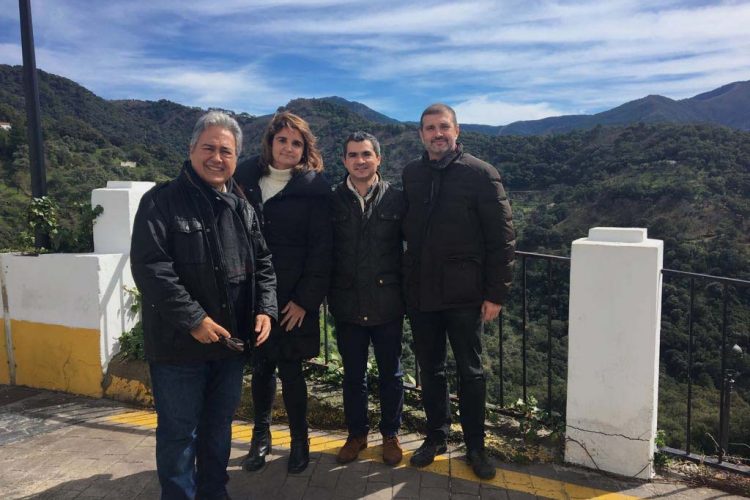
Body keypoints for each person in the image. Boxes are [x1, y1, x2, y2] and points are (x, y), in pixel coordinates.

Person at [131, 110, 278, 499]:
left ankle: (215, 493)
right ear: (192, 149)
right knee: (180, 433)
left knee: (218, 429)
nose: (217, 158)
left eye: (226, 151)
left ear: (236, 157)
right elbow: (151, 268)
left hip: (229, 345)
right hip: (180, 347)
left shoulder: (242, 207)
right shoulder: (161, 202)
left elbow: (262, 263)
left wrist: (265, 308)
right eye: (209, 148)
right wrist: (194, 319)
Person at [401, 103, 515, 480]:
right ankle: (436, 437)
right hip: (422, 293)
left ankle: (476, 447)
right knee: (430, 370)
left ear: (456, 130)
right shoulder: (411, 174)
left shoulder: (481, 174)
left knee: (472, 372)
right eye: (430, 128)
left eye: (443, 127)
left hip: (466, 294)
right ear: (421, 134)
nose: (437, 134)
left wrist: (496, 293)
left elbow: (502, 239)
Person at [234, 111, 332, 474]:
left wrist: (306, 300)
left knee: (291, 372)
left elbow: (322, 250)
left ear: (305, 148)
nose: (289, 148)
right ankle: (260, 437)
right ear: (270, 142)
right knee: (260, 369)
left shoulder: (313, 188)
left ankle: (299, 440)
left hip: (293, 298)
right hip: (255, 294)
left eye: (297, 142)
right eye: (283, 140)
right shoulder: (244, 178)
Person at [328, 132, 406, 466]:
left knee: (391, 375)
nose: (360, 160)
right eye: (353, 155)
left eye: (366, 154)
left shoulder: (397, 199)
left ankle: (390, 435)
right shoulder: (331, 200)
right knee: (353, 376)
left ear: (378, 158)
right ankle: (357, 434)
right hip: (347, 303)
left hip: (388, 303)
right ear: (344, 160)